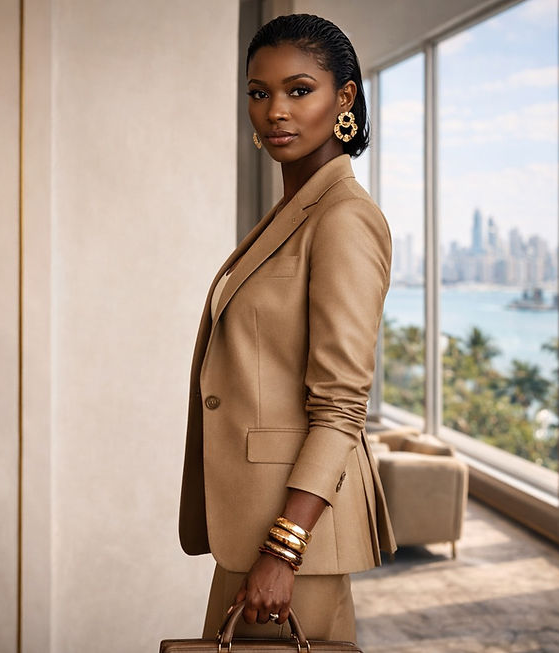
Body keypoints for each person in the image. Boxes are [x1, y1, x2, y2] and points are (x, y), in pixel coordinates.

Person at [178, 14, 396, 645]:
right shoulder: (293, 213)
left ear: (344, 98)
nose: (275, 110)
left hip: (294, 536)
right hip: (255, 521)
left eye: (299, 90)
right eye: (259, 91)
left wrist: (284, 546)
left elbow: (341, 404)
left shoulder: (345, 219)